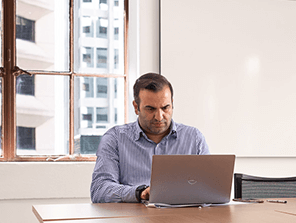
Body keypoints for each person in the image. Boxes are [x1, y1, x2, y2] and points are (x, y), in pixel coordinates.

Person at [90, 73, 210, 203]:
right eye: (150, 109)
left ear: (172, 104)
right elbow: (99, 190)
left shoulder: (194, 138)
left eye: (165, 107)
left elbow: (211, 188)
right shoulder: (114, 139)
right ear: (136, 107)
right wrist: (139, 193)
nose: (159, 116)